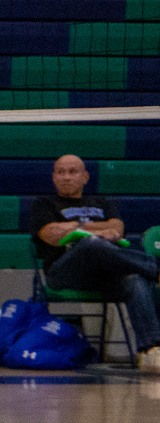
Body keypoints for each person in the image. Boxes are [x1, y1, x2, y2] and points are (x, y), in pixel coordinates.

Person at [30, 154, 160, 371]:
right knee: (91, 244)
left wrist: (74, 228)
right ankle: (155, 269)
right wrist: (95, 229)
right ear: (53, 177)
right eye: (60, 172)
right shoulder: (44, 204)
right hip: (64, 272)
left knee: (136, 280)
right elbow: (51, 234)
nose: (66, 177)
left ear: (85, 177)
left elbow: (117, 230)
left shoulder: (102, 202)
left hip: (103, 278)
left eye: (72, 172)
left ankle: (150, 351)